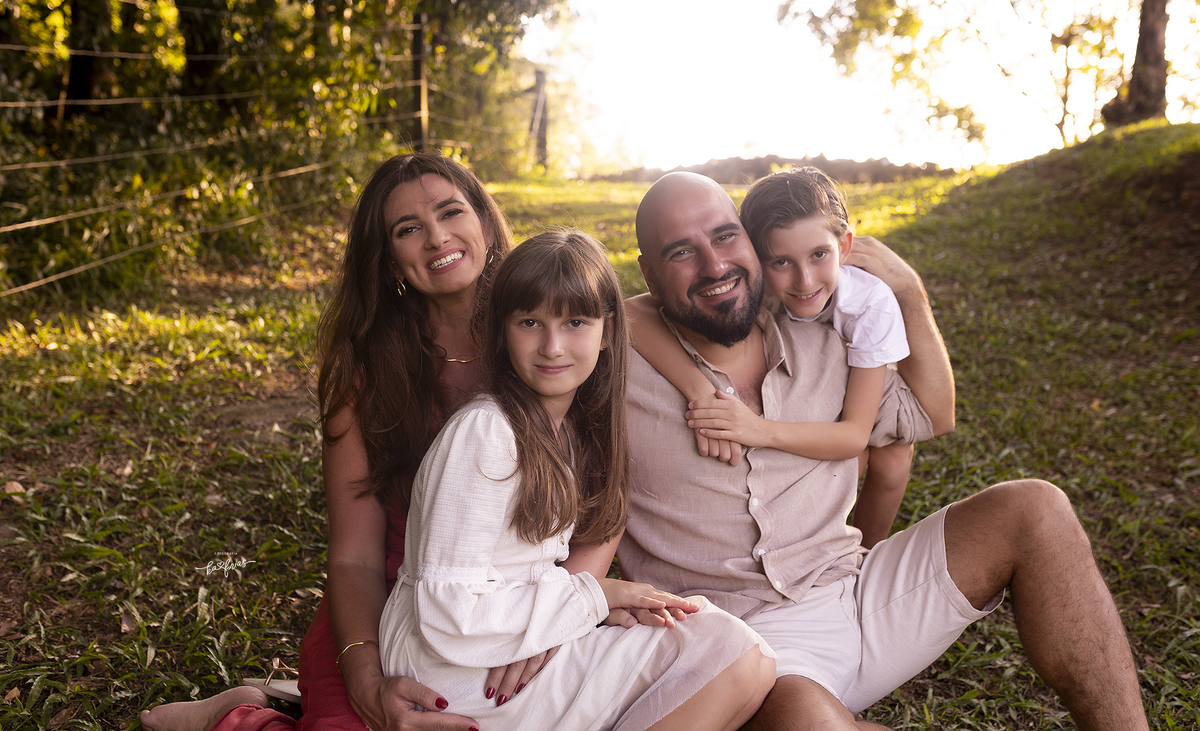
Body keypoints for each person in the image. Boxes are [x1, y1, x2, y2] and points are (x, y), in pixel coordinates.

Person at [620, 171, 1148, 730]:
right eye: (681, 251)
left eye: (726, 237)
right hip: (745, 643)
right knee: (806, 722)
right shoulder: (612, 373)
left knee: (1035, 507)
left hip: (856, 591)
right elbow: (603, 312)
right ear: (649, 274)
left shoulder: (825, 329)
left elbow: (930, 414)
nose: (715, 265)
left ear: (751, 242)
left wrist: (910, 294)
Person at [141, 152, 525, 731]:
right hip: (392, 602)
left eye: (451, 212)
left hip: (515, 601)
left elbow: (606, 494)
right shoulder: (365, 370)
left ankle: (278, 702)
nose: (436, 237)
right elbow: (354, 554)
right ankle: (243, 715)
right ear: (388, 259)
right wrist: (365, 679)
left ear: (486, 225)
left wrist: (556, 617)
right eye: (408, 229)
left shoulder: (547, 334)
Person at [377, 230, 775, 731]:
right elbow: (446, 612)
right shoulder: (486, 432)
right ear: (502, 331)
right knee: (733, 653)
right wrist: (592, 599)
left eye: (575, 323)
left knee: (723, 647)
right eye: (530, 322)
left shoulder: (563, 430)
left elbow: (524, 575)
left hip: (502, 644)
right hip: (452, 671)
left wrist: (577, 616)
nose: (552, 346)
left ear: (607, 331)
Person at [627, 166, 917, 547]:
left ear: (844, 247)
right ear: (760, 255)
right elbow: (626, 311)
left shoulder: (870, 307)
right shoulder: (747, 281)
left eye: (819, 255)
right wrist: (699, 388)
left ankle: (864, 552)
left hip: (862, 374)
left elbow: (856, 435)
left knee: (892, 454)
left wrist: (759, 430)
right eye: (781, 262)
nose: (804, 281)